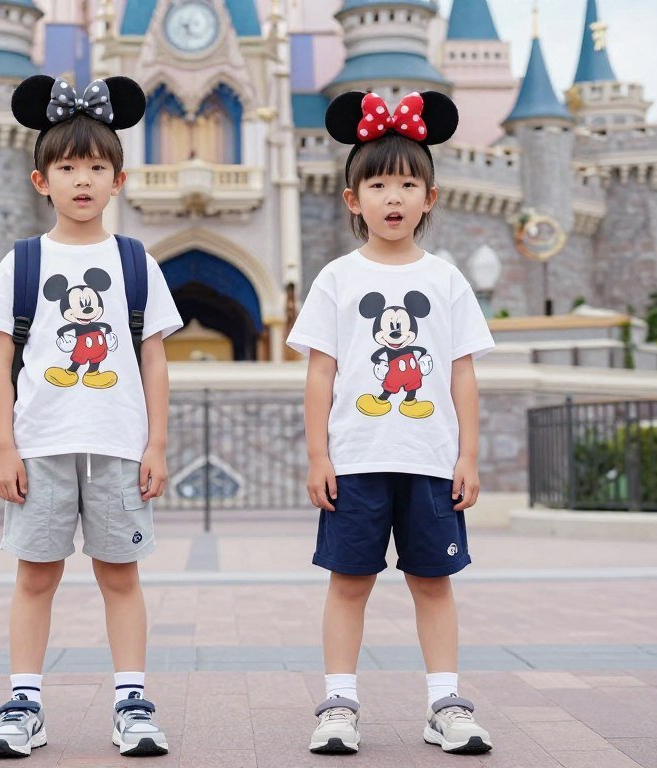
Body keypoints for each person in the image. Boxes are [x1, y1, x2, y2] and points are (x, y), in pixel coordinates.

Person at [0, 74, 183, 759]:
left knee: (121, 575)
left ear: (118, 180)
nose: (82, 180)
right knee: (35, 574)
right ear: (42, 180)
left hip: (120, 445)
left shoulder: (135, 261)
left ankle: (132, 703)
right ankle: (24, 704)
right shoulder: (23, 262)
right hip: (40, 445)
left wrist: (157, 443)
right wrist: (5, 448)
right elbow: (0, 363)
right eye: (68, 167)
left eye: (97, 167)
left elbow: (154, 360)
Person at [287, 89, 496, 756]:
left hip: (432, 459)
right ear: (353, 199)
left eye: (408, 182)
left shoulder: (447, 281)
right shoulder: (337, 280)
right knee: (350, 583)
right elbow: (320, 372)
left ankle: (445, 703)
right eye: (378, 183)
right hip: (356, 457)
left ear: (430, 197)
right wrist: (319, 456)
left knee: (432, 582)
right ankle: (339, 703)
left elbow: (463, 372)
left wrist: (469, 456)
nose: (393, 196)